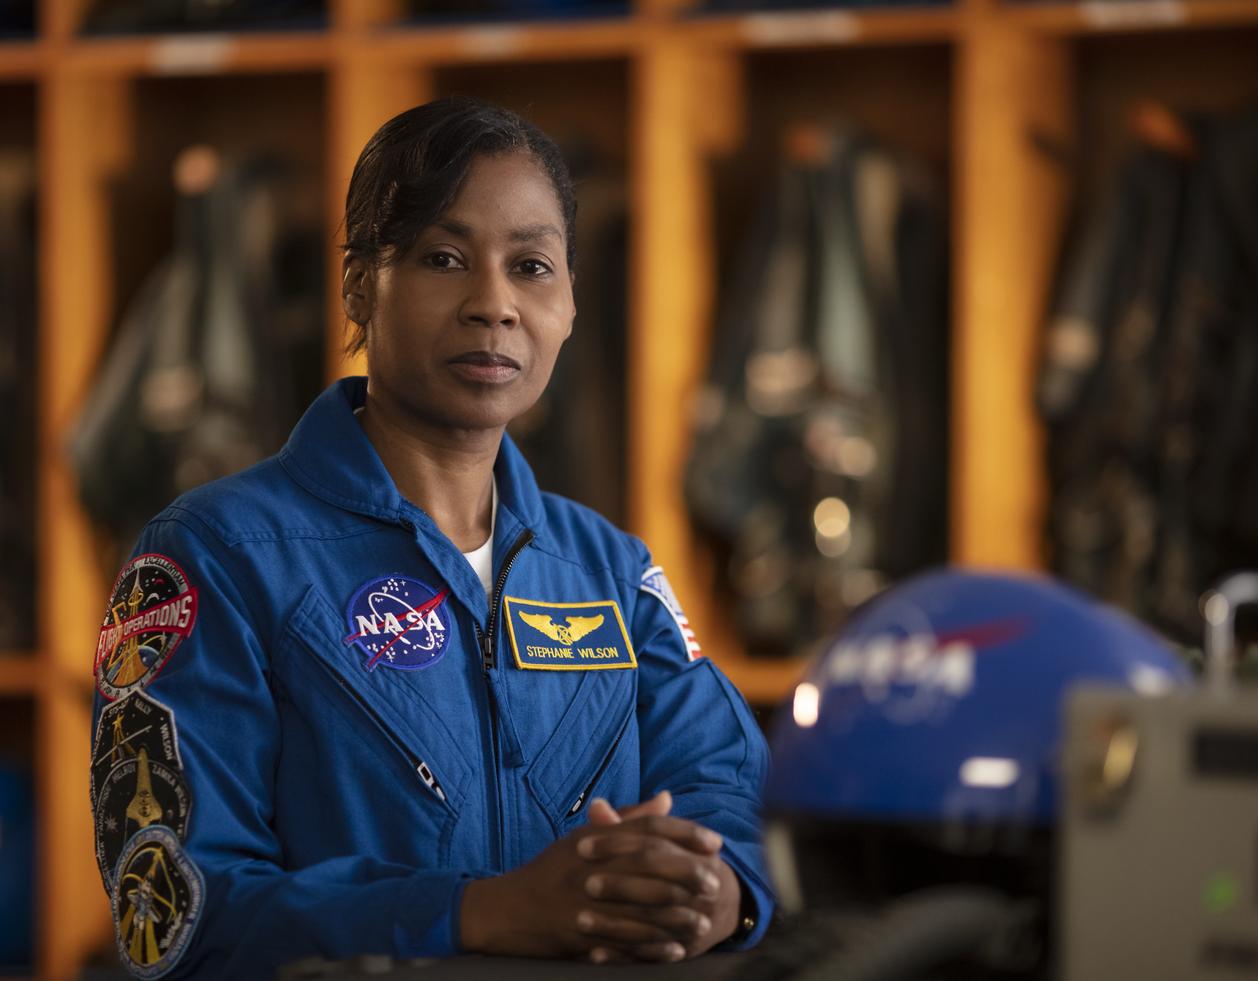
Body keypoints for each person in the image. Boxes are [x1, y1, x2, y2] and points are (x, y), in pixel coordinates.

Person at [88, 96, 773, 980]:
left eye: (532, 266)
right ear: (359, 285)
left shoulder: (609, 569)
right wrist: (476, 914)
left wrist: (720, 888)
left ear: (568, 303)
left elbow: (724, 783)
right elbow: (170, 909)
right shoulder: (211, 556)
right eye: (444, 258)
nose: (494, 304)